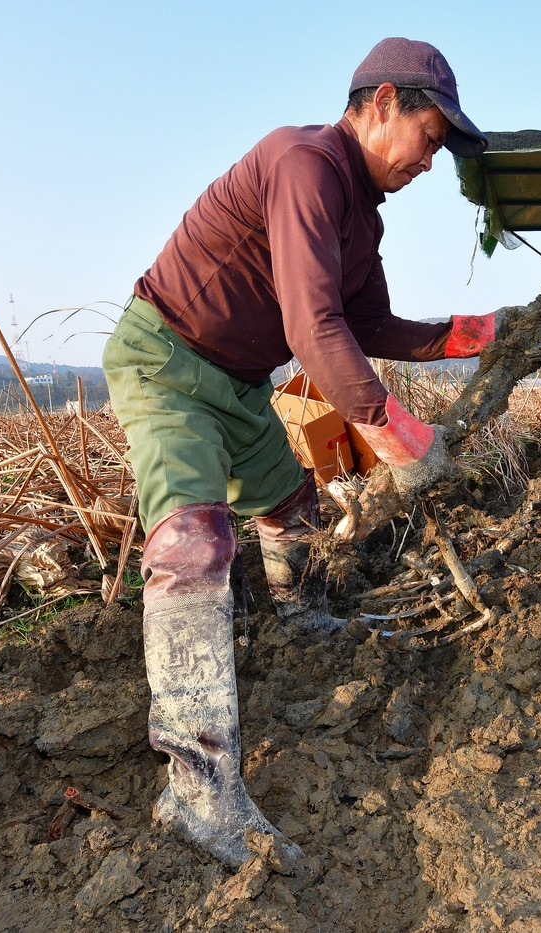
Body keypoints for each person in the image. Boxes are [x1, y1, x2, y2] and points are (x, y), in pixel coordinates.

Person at [102, 37, 492, 867]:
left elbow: (371, 326)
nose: (433, 159)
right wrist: (400, 437)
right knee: (195, 542)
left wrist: (472, 334)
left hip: (238, 383)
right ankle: (199, 791)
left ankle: (301, 618)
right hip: (166, 360)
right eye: (431, 135)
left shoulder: (361, 212)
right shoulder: (305, 163)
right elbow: (313, 329)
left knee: (292, 508)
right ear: (383, 102)